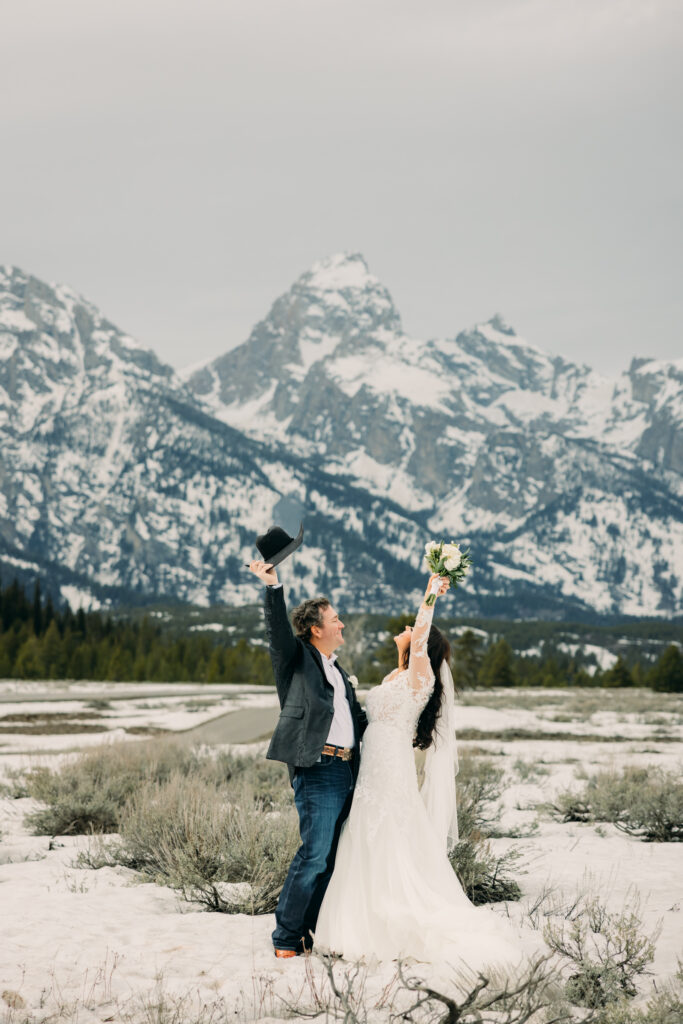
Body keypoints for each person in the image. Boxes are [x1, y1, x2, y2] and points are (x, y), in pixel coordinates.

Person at [313, 572, 532, 972]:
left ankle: (385, 922)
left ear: (421, 646)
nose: (407, 629)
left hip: (390, 766)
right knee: (365, 830)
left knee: (388, 829)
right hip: (371, 764)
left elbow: (421, 632)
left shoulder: (420, 676)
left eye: (413, 630)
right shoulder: (396, 676)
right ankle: (355, 920)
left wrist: (430, 595)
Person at [249, 557, 367, 958]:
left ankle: (309, 932)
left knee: (331, 858)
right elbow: (278, 631)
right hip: (318, 770)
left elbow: (357, 719)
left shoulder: (339, 671)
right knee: (313, 854)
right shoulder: (296, 659)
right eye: (335, 619)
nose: (342, 624)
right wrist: (272, 587)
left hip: (347, 769)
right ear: (316, 629)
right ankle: (286, 937)